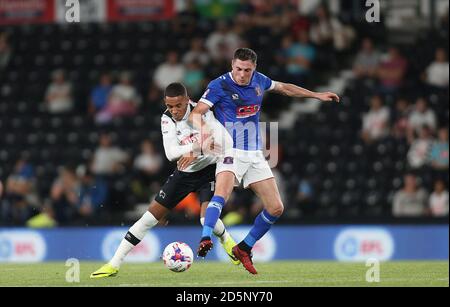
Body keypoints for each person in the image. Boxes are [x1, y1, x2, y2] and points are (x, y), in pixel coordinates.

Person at [189, 48, 339, 274]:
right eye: (238, 69)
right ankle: (205, 238)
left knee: (276, 208)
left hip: (255, 154)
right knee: (221, 195)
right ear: (232, 65)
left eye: (247, 70)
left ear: (254, 69)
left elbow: (286, 89)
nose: (241, 74)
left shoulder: (259, 80)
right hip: (231, 150)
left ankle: (244, 247)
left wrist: (315, 95)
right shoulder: (219, 85)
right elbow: (195, 114)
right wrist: (204, 134)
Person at [90, 83, 239, 278]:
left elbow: (219, 141)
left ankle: (227, 241)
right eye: (170, 106)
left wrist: (198, 149)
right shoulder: (167, 118)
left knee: (205, 218)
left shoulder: (202, 111)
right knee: (148, 219)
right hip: (184, 173)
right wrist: (199, 146)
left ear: (187, 100)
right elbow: (171, 154)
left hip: (210, 171)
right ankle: (113, 264)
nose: (174, 111)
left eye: (178, 105)